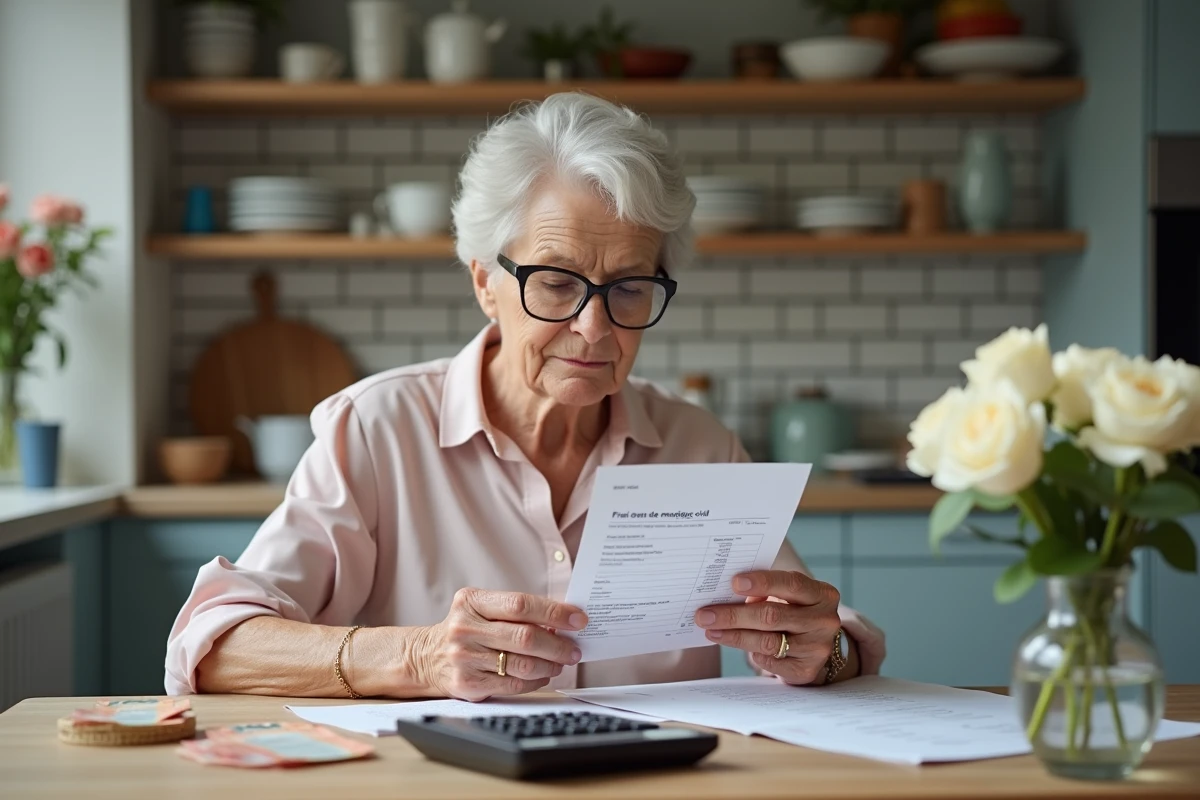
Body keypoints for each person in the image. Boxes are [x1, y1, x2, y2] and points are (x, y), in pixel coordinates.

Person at [165, 92, 885, 701]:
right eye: (556, 281)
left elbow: (822, 634)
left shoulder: (701, 445)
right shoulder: (377, 432)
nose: (594, 326)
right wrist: (416, 657)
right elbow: (212, 645)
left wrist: (827, 653)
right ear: (485, 281)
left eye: (630, 286)